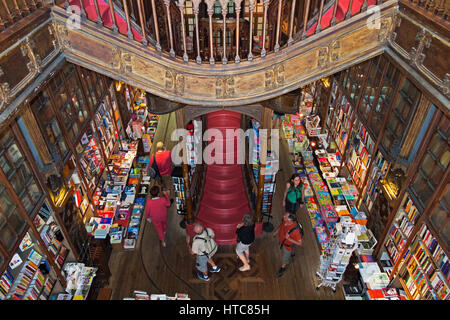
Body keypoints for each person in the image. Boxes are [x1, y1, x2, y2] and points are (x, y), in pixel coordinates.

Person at [272, 213, 303, 277]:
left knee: (285, 258)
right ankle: (292, 253)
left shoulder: (296, 231)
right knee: (291, 251)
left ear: (290, 221)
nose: (283, 216)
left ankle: (283, 268)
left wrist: (289, 239)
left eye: (285, 216)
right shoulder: (284, 220)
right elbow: (281, 226)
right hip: (283, 242)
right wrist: (276, 232)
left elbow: (300, 243)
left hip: (287, 247)